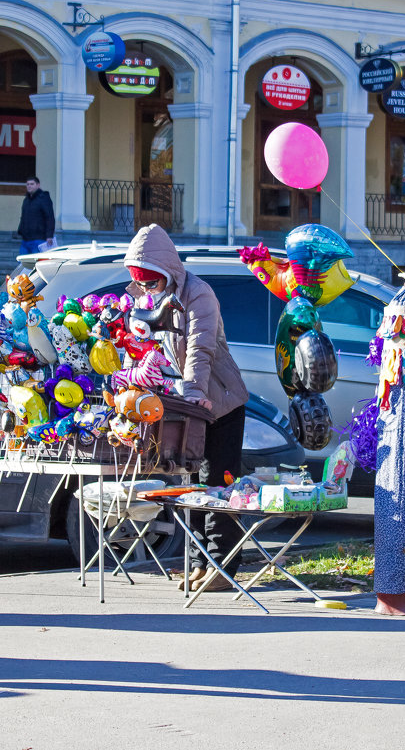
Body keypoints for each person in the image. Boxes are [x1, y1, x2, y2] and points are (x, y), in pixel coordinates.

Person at [123, 224, 249, 593]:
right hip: (184, 406)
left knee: (217, 486)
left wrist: (194, 392)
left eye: (151, 280)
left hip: (219, 403)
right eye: (140, 281)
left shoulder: (199, 293)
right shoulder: (148, 298)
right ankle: (197, 564)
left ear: (167, 271)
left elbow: (199, 347)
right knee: (189, 487)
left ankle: (223, 567)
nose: (147, 288)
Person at [17, 176, 55, 254]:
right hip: (25, 240)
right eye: (27, 184)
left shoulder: (44, 198)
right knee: (23, 264)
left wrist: (49, 236)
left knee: (36, 264)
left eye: (32, 184)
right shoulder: (26, 200)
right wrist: (20, 231)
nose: (29, 186)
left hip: (39, 239)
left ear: (38, 185)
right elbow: (23, 217)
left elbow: (49, 217)